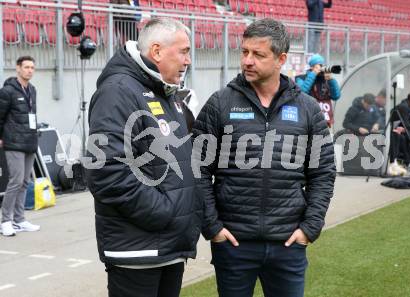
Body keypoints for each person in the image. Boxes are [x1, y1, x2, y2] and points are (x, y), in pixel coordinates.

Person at [192, 18, 336, 297]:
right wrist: (213, 227)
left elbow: (323, 171)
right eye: (244, 52)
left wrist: (310, 227)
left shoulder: (306, 108)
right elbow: (197, 168)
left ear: (281, 59)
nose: (248, 60)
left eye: (258, 54)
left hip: (289, 244)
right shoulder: (220, 103)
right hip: (233, 244)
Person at [87, 18, 201, 297]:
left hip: (168, 244)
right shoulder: (119, 91)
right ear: (157, 51)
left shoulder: (165, 91)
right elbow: (106, 172)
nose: (188, 60)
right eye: (184, 51)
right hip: (139, 249)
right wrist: (166, 212)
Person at [0, 56, 40, 237]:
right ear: (18, 69)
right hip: (13, 142)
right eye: (26, 67)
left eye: (32, 67)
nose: (29, 70)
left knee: (25, 182)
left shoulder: (32, 90)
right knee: (15, 181)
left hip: (30, 141)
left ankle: (19, 219)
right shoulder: (7, 91)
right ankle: (5, 221)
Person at [295, 54, 341, 127]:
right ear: (312, 67)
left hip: (325, 120)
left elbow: (336, 96)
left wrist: (331, 80)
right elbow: (302, 93)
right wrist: (313, 73)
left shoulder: (326, 80)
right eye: (318, 65)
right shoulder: (301, 78)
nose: (321, 68)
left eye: (322, 65)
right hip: (308, 120)